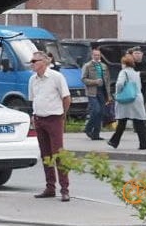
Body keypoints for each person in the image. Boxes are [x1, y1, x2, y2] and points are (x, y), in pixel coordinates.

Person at [28, 50, 71, 202]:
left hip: (54, 118)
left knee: (58, 153)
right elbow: (32, 99)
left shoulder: (56, 77)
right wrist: (34, 116)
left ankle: (65, 188)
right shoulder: (33, 79)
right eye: (31, 61)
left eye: (35, 61)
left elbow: (66, 98)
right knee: (45, 154)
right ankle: (50, 187)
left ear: (44, 62)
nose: (32, 64)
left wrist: (62, 115)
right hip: (39, 119)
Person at [108, 53, 146, 150]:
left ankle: (114, 141)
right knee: (139, 122)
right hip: (137, 98)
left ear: (124, 63)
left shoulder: (123, 72)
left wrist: (118, 93)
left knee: (122, 121)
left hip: (126, 100)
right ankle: (144, 144)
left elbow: (119, 84)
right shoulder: (136, 73)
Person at [80, 46, 111, 140]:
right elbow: (83, 79)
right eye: (95, 55)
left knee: (101, 112)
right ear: (92, 55)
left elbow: (108, 81)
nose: (97, 56)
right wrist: (94, 82)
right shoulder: (87, 66)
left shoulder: (104, 66)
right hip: (92, 92)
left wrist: (109, 95)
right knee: (96, 110)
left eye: (98, 55)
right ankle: (88, 128)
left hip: (102, 91)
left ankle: (96, 134)